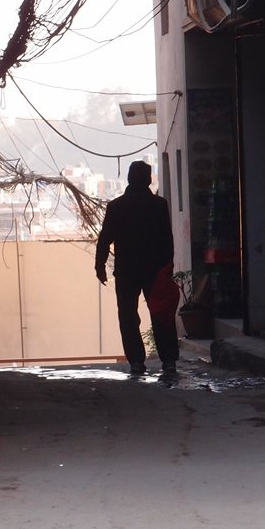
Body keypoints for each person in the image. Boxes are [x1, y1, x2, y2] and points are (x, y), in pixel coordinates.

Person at [95, 160, 179, 377]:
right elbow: (166, 239)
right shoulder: (159, 205)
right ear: (149, 179)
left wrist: (100, 266)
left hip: (126, 271)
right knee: (161, 314)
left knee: (128, 316)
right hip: (155, 271)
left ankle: (136, 362)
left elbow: (105, 240)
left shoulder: (116, 207)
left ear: (129, 179)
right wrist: (168, 266)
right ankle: (168, 360)